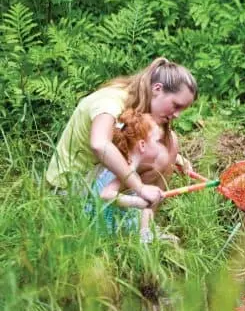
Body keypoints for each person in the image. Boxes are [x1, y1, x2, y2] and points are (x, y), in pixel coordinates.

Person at [46, 57, 198, 205]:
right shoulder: (110, 101)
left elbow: (128, 138)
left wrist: (174, 157)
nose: (177, 115)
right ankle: (127, 218)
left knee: (169, 142)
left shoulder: (137, 99)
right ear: (157, 88)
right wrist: (140, 187)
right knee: (160, 155)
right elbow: (99, 144)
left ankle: (146, 225)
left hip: (95, 176)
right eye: (176, 105)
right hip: (69, 187)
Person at [87, 109, 177, 243]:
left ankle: (146, 234)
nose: (160, 147)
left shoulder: (123, 164)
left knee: (145, 210)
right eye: (157, 142)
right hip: (104, 229)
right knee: (144, 210)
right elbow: (105, 195)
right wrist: (138, 202)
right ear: (142, 145)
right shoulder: (127, 171)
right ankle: (144, 237)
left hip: (106, 220)